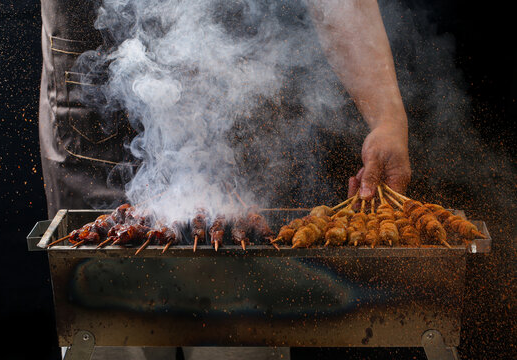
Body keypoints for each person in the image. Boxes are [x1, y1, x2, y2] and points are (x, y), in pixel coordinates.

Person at [39, 0, 409, 359]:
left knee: (240, 343)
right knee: (108, 337)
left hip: (235, 119)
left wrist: (387, 119)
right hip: (99, 127)